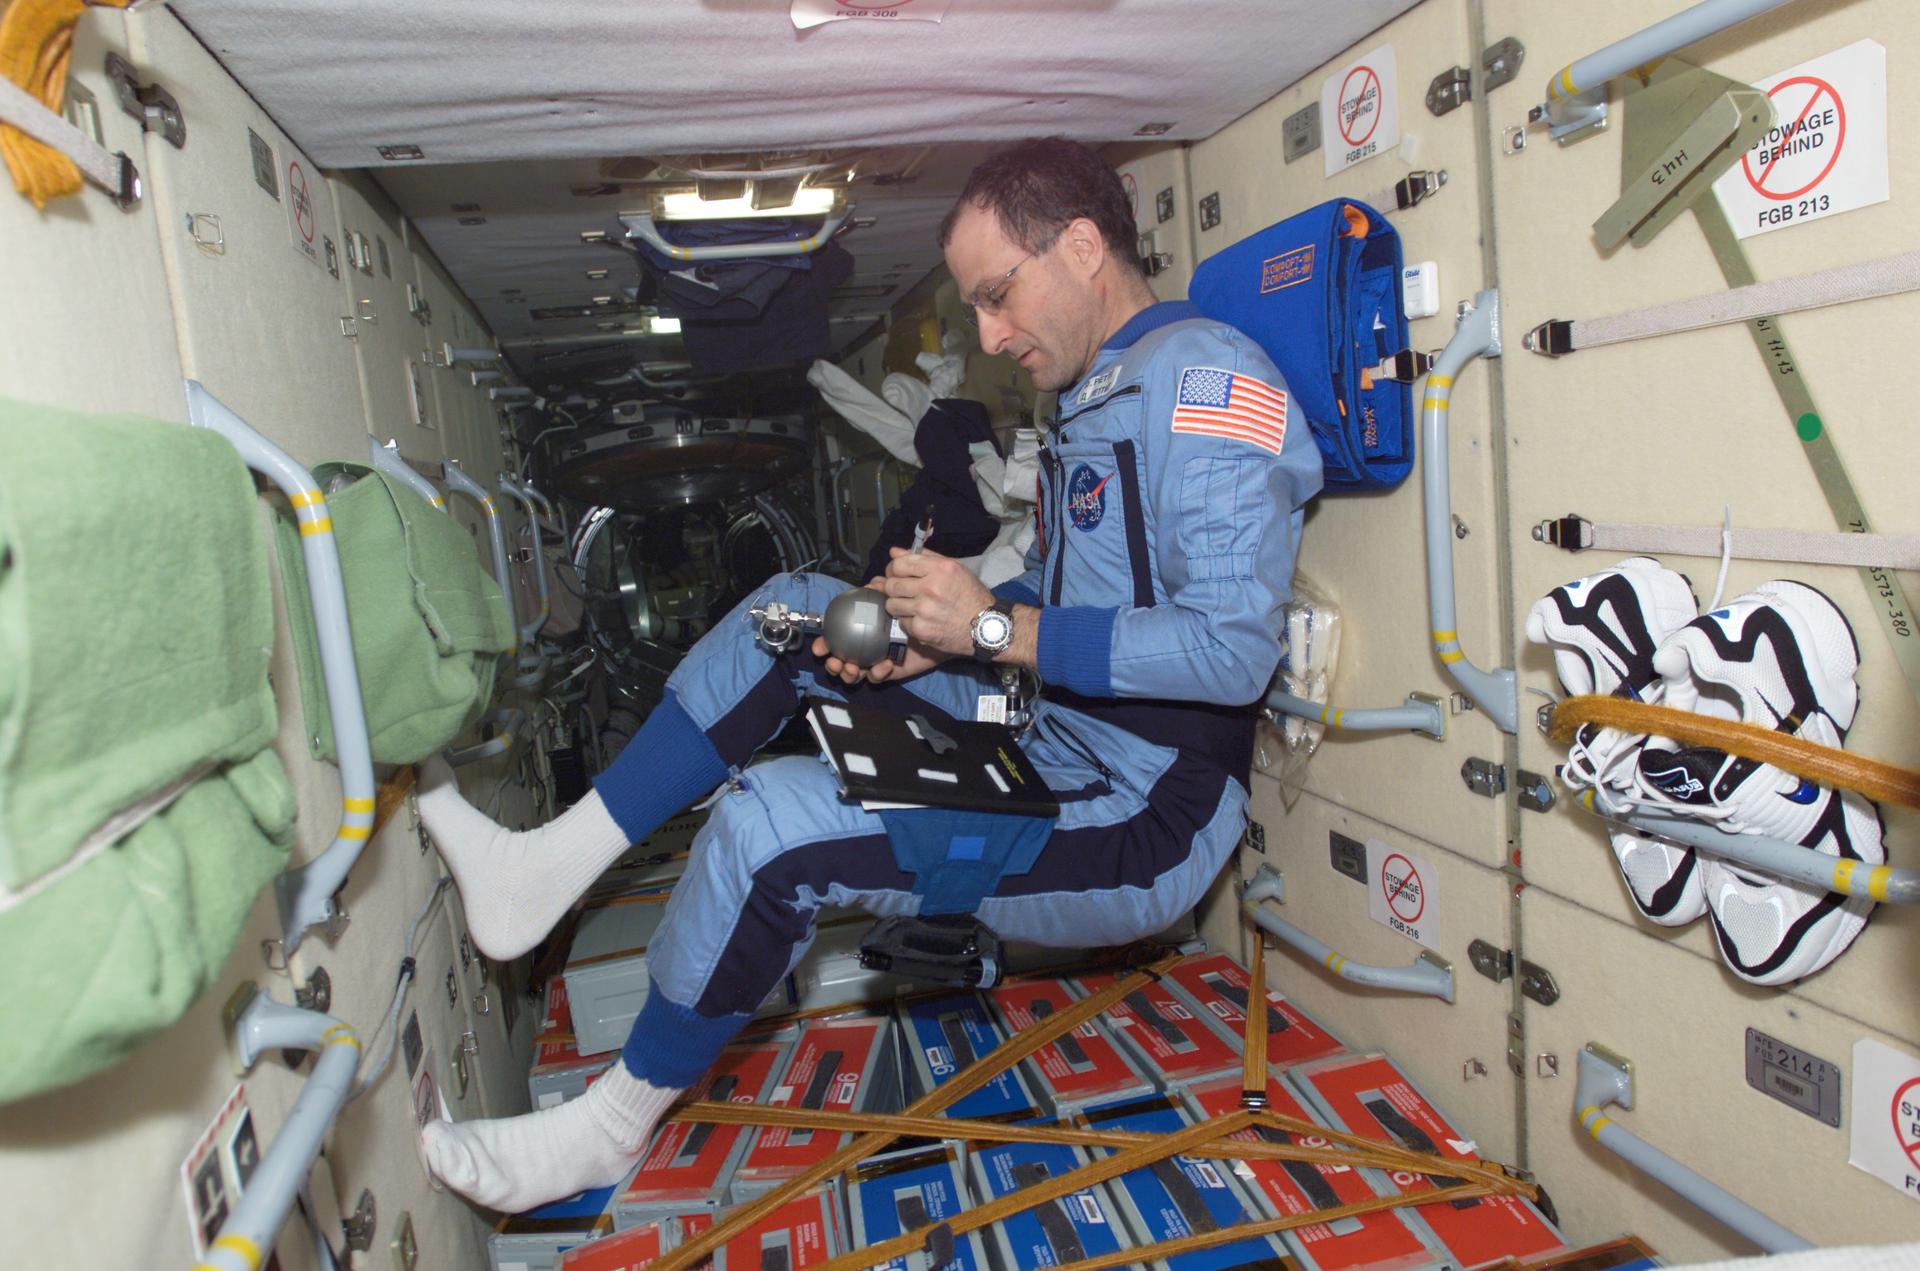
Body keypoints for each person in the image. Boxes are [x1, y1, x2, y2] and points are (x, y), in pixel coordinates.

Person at [417, 137, 1323, 1212]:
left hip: (1142, 808)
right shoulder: (1093, 392)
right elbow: (1065, 581)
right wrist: (938, 640)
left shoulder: (1211, 382)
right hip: (1043, 717)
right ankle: (546, 868)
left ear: (1082, 247)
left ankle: (610, 1127)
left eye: (997, 296)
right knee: (796, 611)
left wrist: (992, 629)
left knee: (772, 828)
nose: (988, 336)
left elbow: (1230, 651)